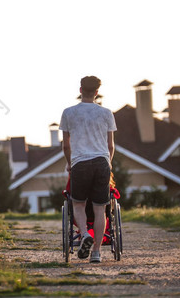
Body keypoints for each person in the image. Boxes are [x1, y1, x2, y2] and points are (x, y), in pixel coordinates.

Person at [59, 76, 117, 263]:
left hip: (80, 163)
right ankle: (97, 252)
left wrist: (70, 163)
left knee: (78, 204)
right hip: (101, 162)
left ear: (80, 89)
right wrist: (108, 164)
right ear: (97, 92)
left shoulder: (68, 113)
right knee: (100, 209)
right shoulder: (106, 113)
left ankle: (84, 234)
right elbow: (110, 146)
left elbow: (66, 146)